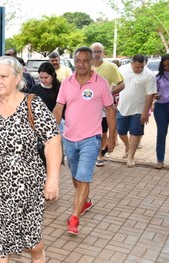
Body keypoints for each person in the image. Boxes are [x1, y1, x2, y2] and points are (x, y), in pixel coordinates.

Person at [0, 55, 61, 262]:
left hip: (26, 188)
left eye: (3, 76)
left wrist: (52, 179)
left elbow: (52, 141)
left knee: (31, 242)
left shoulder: (32, 104)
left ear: (18, 77)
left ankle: (38, 255)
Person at [53, 46, 116, 235]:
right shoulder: (66, 83)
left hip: (91, 138)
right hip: (69, 138)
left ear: (91, 62)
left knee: (83, 177)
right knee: (76, 177)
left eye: (85, 61)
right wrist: (47, 130)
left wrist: (112, 136)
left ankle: (74, 218)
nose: (81, 64)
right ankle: (85, 201)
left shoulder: (101, 83)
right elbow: (58, 108)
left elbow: (110, 110)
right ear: (74, 61)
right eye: (78, 60)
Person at [117, 54, 157, 167]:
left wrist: (145, 112)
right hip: (122, 107)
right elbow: (114, 84)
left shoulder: (149, 75)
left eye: (141, 67)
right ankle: (127, 146)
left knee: (135, 132)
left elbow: (150, 94)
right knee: (121, 131)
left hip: (139, 110)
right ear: (131, 63)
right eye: (137, 67)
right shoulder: (122, 70)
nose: (139, 69)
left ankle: (131, 157)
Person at [91, 42, 124, 167]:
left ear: (103, 52)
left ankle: (99, 154)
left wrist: (108, 93)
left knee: (102, 131)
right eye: (94, 51)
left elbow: (122, 84)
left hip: (104, 106)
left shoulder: (111, 67)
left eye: (99, 51)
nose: (96, 54)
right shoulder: (85, 66)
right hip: (87, 106)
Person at [153, 54, 169, 169]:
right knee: (161, 134)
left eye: (168, 65)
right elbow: (153, 92)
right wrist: (156, 95)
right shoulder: (158, 77)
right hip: (161, 108)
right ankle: (160, 160)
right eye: (164, 65)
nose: (166, 67)